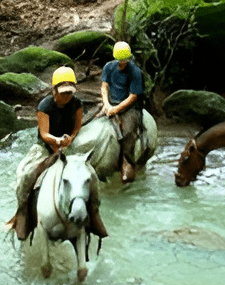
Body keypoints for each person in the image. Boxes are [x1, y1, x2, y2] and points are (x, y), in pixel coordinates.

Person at [9, 66, 107, 241]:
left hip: (69, 145)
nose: (67, 96)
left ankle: (94, 213)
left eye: (70, 92)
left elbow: (77, 126)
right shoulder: (44, 105)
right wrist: (56, 141)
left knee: (90, 175)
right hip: (45, 146)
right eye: (63, 93)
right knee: (25, 174)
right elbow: (45, 134)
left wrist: (71, 138)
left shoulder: (77, 103)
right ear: (54, 90)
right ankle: (22, 213)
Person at [98, 41, 144, 183]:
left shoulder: (135, 71)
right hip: (110, 103)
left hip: (129, 107)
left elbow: (133, 96)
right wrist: (106, 104)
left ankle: (127, 161)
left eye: (125, 59)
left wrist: (116, 109)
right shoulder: (108, 67)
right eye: (120, 59)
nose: (122, 62)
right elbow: (104, 87)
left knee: (128, 132)